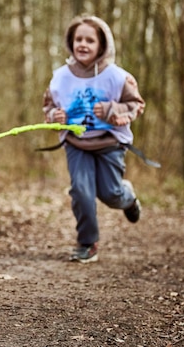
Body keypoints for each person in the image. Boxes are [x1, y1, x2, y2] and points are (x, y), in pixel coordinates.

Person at [42, 14, 145, 264]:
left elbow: (136, 104)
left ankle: (127, 197)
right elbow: (49, 106)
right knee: (81, 190)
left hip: (109, 142)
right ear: (71, 42)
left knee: (110, 194)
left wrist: (112, 110)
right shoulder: (61, 77)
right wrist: (55, 115)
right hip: (77, 144)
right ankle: (87, 242)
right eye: (78, 39)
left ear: (102, 45)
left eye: (90, 40)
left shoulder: (117, 76)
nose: (83, 44)